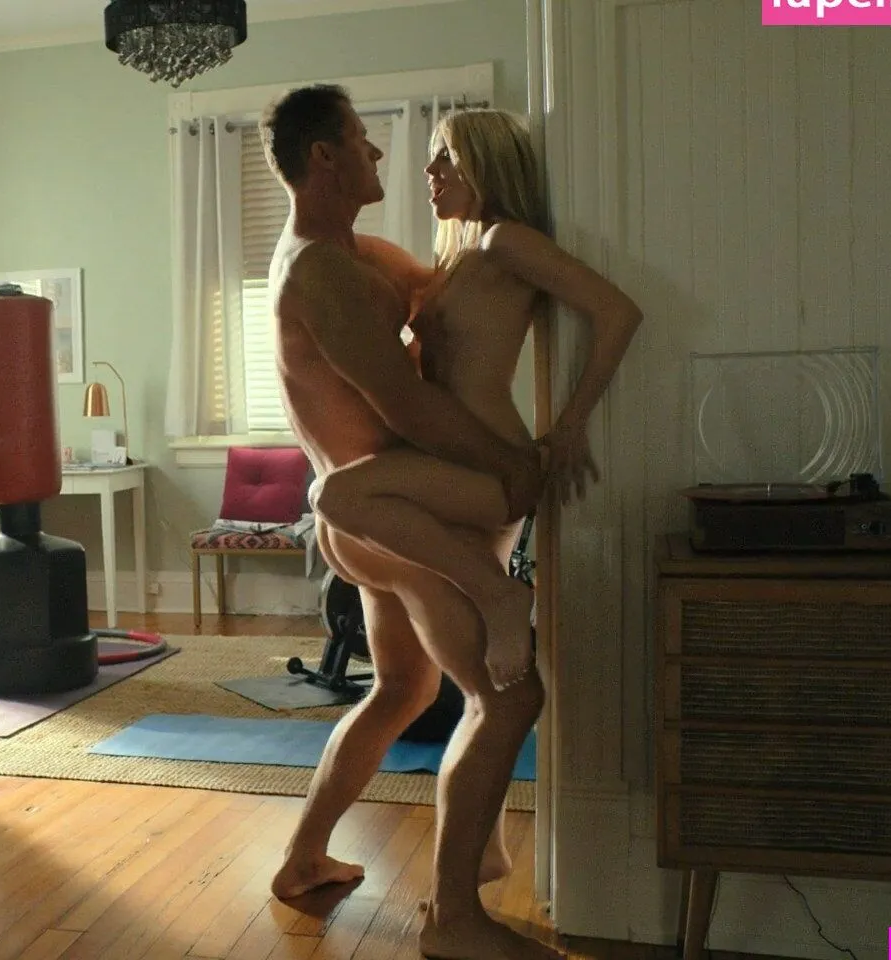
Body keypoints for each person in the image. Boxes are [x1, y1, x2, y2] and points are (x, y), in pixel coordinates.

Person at [262, 85, 642, 960]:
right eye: (363, 139)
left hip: (384, 518)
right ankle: (455, 919)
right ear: (324, 156)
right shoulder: (321, 271)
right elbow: (406, 405)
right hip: (392, 518)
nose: (382, 154)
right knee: (507, 695)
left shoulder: (362, 256)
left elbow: (453, 300)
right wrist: (510, 465)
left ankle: (304, 857)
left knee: (403, 690)